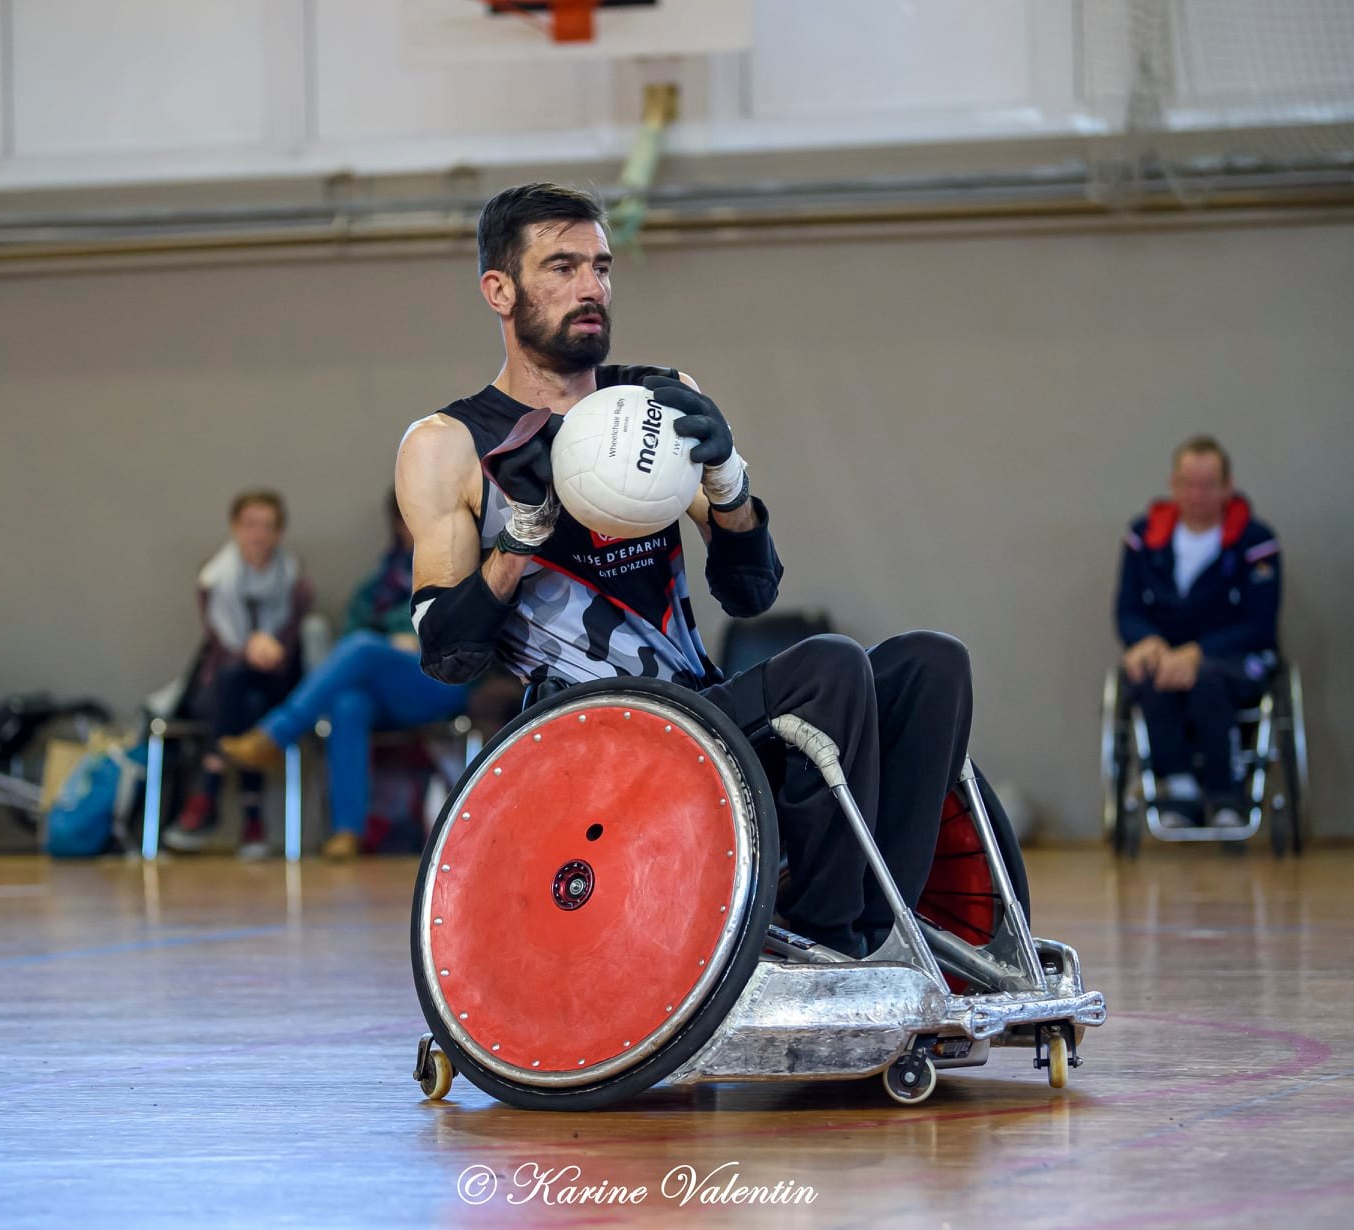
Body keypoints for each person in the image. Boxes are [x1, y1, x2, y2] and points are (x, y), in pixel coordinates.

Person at [392, 182, 975, 959]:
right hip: (588, 741)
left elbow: (751, 590)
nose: (591, 287)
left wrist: (729, 485)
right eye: (562, 267)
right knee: (829, 666)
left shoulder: (654, 402)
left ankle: (883, 932)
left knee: (934, 663)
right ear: (499, 290)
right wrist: (525, 533)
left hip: (698, 714)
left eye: (601, 267)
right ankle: (829, 942)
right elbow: (448, 655)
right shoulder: (450, 444)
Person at [221, 491, 476, 861]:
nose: (411, 526)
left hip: (446, 678)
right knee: (348, 702)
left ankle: (277, 733)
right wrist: (387, 644)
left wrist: (417, 638)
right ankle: (347, 832)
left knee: (363, 647)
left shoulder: (461, 566)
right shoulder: (383, 579)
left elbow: (474, 628)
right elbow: (351, 631)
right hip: (391, 690)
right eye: (404, 518)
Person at [1114, 437, 1281, 828]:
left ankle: (1226, 794)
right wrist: (1147, 642)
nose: (1197, 495)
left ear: (1227, 487)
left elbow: (1260, 626)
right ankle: (1179, 791)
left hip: (1233, 659)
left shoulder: (1256, 541)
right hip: (1166, 656)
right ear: (1173, 484)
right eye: (1188, 484)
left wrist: (1196, 652)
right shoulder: (1143, 536)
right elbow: (1127, 610)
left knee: (1204, 677)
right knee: (1149, 674)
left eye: (1207, 485)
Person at [166, 490, 312, 860]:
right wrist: (248, 649)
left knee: (249, 694)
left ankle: (208, 792)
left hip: (278, 682)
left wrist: (269, 650)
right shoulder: (214, 580)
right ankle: (252, 818)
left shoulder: (295, 583)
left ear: (279, 532)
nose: (258, 534)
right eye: (250, 525)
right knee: (239, 688)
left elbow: (290, 646)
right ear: (235, 528)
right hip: (223, 688)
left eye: (267, 526)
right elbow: (220, 646)